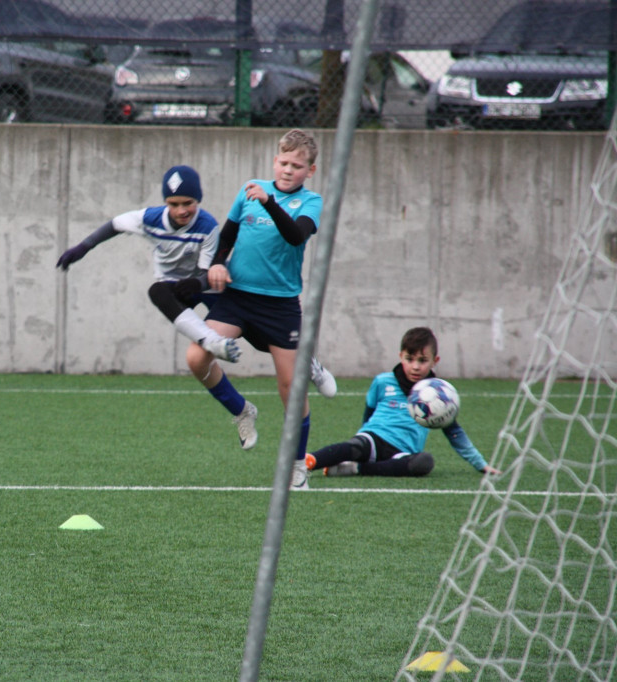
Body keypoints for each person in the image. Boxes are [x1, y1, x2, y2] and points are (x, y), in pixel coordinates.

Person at [56, 164, 338, 398]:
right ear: (166, 203)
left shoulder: (207, 225)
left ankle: (307, 362)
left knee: (262, 339)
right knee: (158, 291)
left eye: (188, 203)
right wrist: (82, 248)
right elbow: (115, 225)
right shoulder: (150, 218)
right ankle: (211, 342)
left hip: (207, 284)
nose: (181, 210)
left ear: (198, 201)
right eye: (174, 204)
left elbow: (209, 271)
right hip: (177, 285)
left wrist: (202, 280)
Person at [183, 129, 326, 490]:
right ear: (275, 161)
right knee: (196, 357)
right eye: (284, 162)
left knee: (291, 388)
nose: (288, 170)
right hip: (237, 298)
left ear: (310, 170)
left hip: (280, 306)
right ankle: (241, 409)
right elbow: (227, 236)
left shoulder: (311, 202)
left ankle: (297, 464)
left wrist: (270, 203)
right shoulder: (250, 189)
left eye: (297, 166)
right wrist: (218, 262)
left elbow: (295, 236)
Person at [304, 326, 503, 477]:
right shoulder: (383, 381)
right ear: (401, 357)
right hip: (374, 439)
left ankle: (357, 469)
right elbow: (369, 414)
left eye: (422, 360)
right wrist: (362, 437)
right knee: (355, 446)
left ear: (435, 361)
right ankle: (306, 462)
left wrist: (481, 464)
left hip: (404, 452)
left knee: (424, 462)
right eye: (409, 359)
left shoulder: (439, 394)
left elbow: (454, 433)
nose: (415, 366)